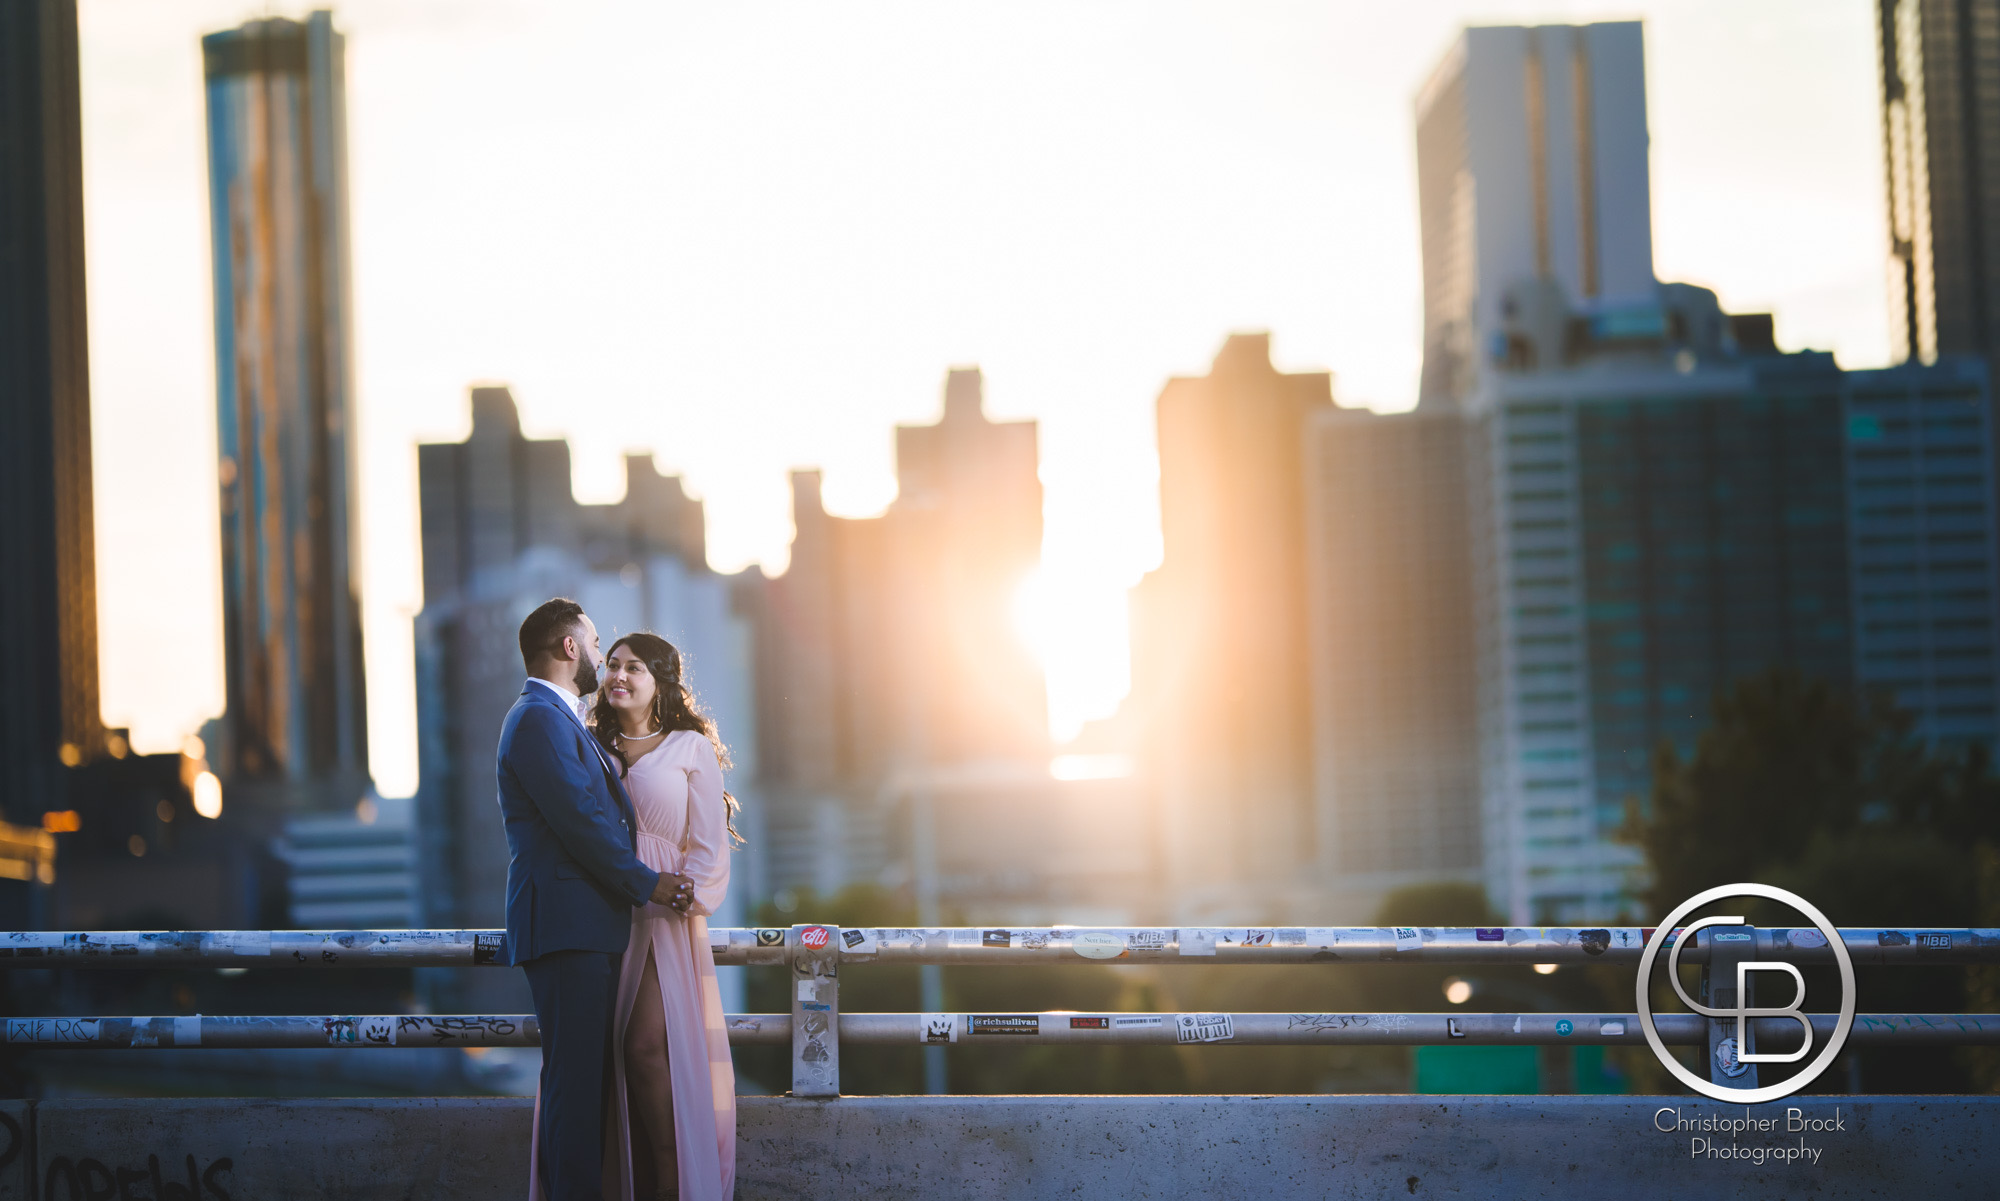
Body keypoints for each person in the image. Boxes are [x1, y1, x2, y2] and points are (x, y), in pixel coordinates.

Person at [497, 598, 693, 1201]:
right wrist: (648, 882)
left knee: (585, 1090)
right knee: (577, 1094)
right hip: (567, 929)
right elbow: (580, 821)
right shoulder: (537, 719)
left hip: (584, 928)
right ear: (569, 648)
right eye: (594, 640)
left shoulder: (556, 720)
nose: (602, 658)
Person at [589, 632, 740, 1201]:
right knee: (609, 1066)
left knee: (646, 1048)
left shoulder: (689, 747)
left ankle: (674, 1184)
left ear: (660, 683)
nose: (619, 676)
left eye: (634, 668)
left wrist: (683, 896)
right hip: (603, 911)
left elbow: (707, 848)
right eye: (612, 665)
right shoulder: (589, 744)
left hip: (661, 917)